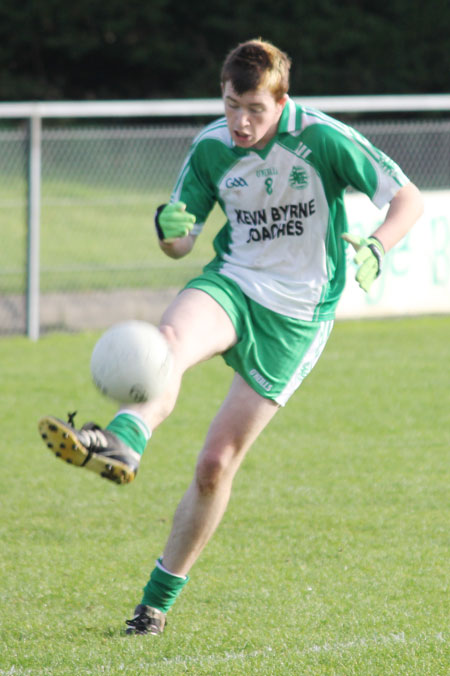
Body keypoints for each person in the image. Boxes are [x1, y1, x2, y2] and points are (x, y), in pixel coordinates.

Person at [38, 38, 424, 636]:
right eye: (230, 105)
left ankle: (154, 604)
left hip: (297, 317)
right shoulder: (211, 148)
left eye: (254, 109)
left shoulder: (321, 138)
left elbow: (406, 198)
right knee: (167, 343)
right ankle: (121, 443)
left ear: (281, 102)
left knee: (216, 463)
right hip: (233, 282)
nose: (240, 122)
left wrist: (378, 245)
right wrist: (169, 230)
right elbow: (180, 242)